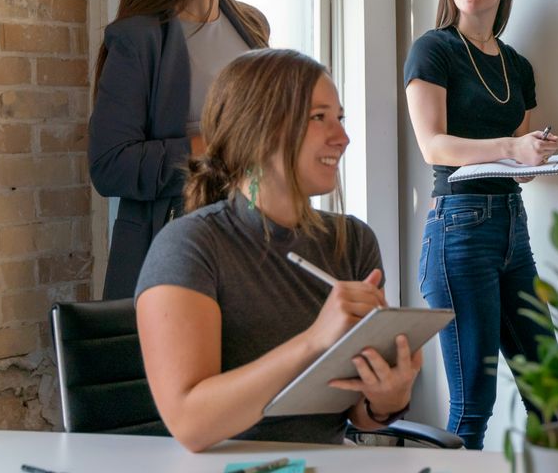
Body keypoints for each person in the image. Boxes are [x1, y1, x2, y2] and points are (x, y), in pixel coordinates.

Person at [136, 49, 420, 451]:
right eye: (319, 118)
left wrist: (386, 399)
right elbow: (190, 423)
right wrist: (314, 341)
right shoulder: (189, 246)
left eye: (340, 118)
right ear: (259, 128)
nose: (342, 137)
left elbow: (355, 410)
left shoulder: (354, 241)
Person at [402, 0, 558, 449]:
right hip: (459, 228)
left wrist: (532, 155)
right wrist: (513, 148)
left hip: (512, 222)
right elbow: (433, 146)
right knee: (474, 402)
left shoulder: (518, 66)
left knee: (550, 391)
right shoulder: (434, 48)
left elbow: (513, 164)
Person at [89, 0, 270, 300]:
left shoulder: (252, 28)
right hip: (175, 247)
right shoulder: (138, 40)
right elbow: (110, 164)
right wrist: (216, 145)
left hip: (254, 240)